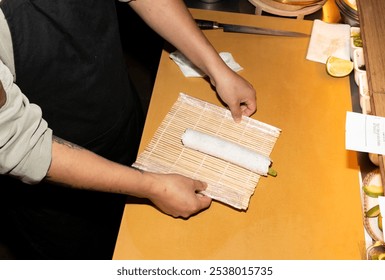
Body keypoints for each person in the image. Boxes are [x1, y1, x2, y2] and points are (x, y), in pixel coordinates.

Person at [0, 0, 256, 259]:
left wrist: (216, 68)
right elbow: (20, 142)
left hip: (120, 118)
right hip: (54, 189)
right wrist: (153, 187)